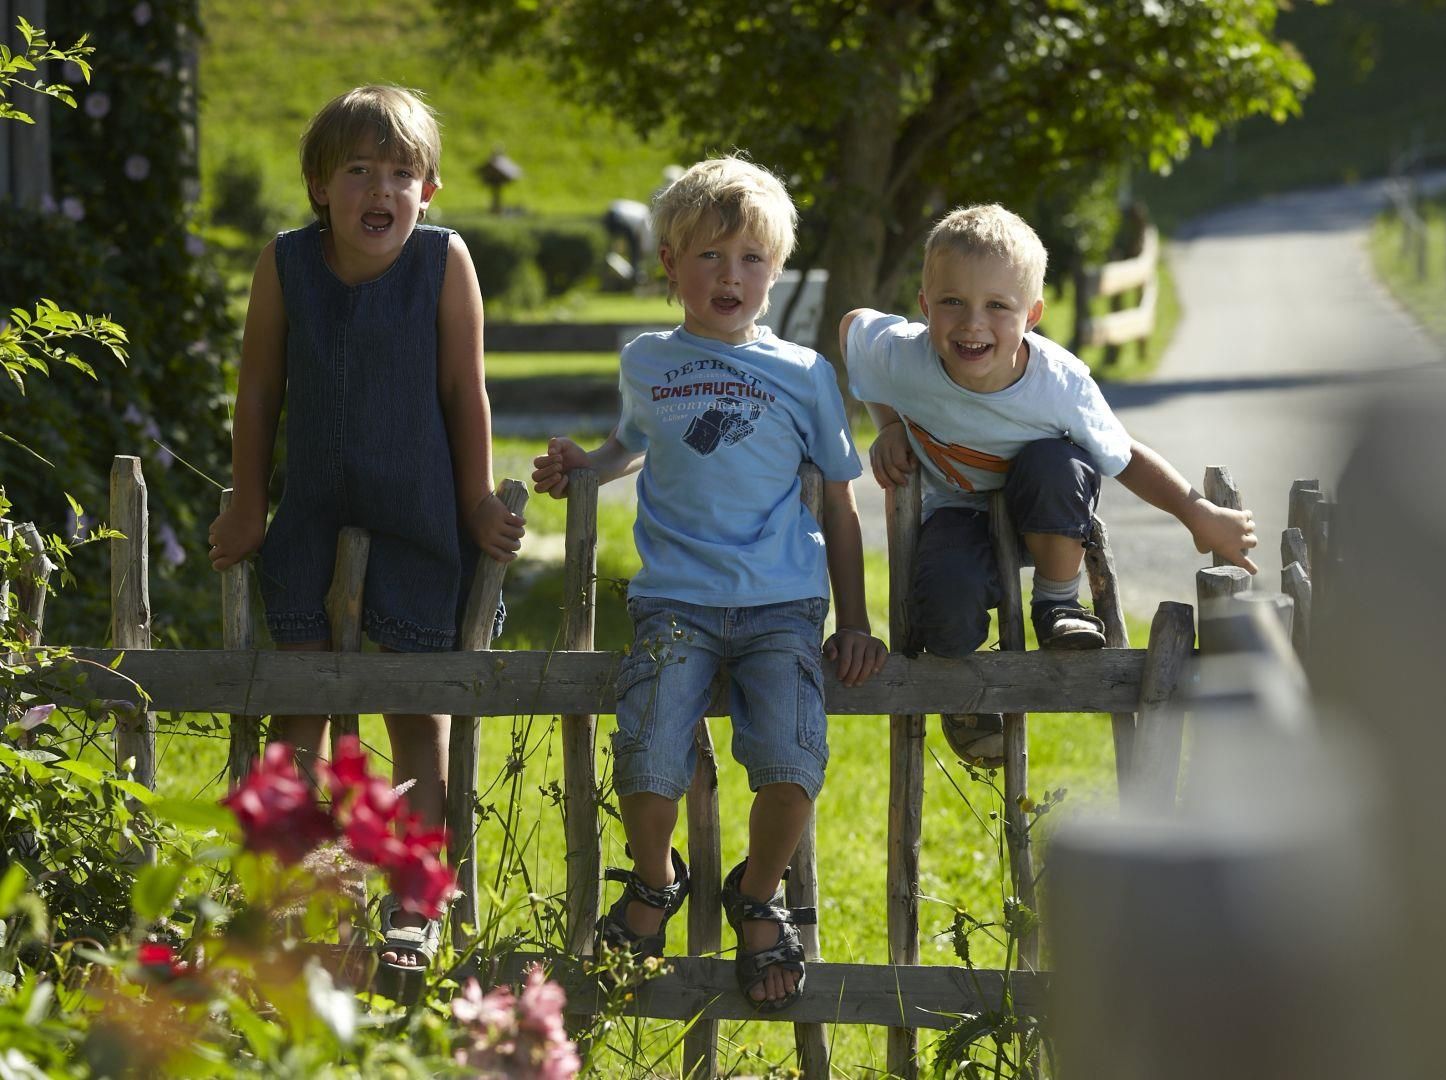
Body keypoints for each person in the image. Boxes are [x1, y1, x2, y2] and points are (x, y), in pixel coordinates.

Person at [531, 157, 887, 1012]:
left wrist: (855, 617)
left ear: (776, 270)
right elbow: (633, 442)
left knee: (792, 761)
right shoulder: (647, 359)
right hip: (676, 601)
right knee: (648, 757)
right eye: (708, 257)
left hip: (779, 606)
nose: (730, 276)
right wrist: (593, 462)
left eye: (750, 259)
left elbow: (839, 504)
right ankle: (655, 882)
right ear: (668, 262)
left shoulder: (805, 375)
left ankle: (758, 890)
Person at [206, 85, 525, 971]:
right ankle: (287, 888)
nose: (379, 190)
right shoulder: (285, 265)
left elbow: (465, 390)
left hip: (419, 514)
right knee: (297, 701)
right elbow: (259, 390)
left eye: (400, 173)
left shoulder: (442, 261)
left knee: (416, 708)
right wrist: (245, 499)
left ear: (428, 190)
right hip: (309, 510)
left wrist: (472, 504)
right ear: (318, 185)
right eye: (357, 171)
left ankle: (415, 900)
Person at [841, 203, 1257, 768]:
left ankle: (1057, 605)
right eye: (952, 303)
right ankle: (966, 700)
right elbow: (851, 328)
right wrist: (889, 424)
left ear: (1032, 314)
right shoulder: (904, 355)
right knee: (941, 611)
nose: (972, 324)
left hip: (1044, 510)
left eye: (997, 306)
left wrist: (1197, 513)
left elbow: (1123, 454)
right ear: (924, 306)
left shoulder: (1058, 384)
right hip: (957, 515)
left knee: (1054, 462)